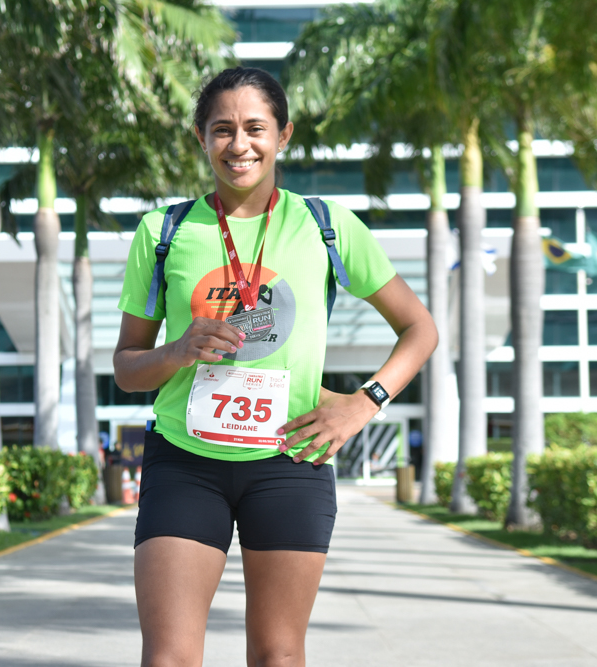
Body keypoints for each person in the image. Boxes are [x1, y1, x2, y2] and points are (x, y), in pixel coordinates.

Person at [113, 67, 437, 667]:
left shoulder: (326, 225)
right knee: (168, 658)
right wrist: (177, 349)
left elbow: (420, 329)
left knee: (278, 656)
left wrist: (363, 403)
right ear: (201, 137)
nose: (239, 144)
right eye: (222, 129)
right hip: (184, 462)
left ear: (283, 135)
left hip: (291, 462)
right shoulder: (164, 231)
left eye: (255, 128)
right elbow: (128, 368)